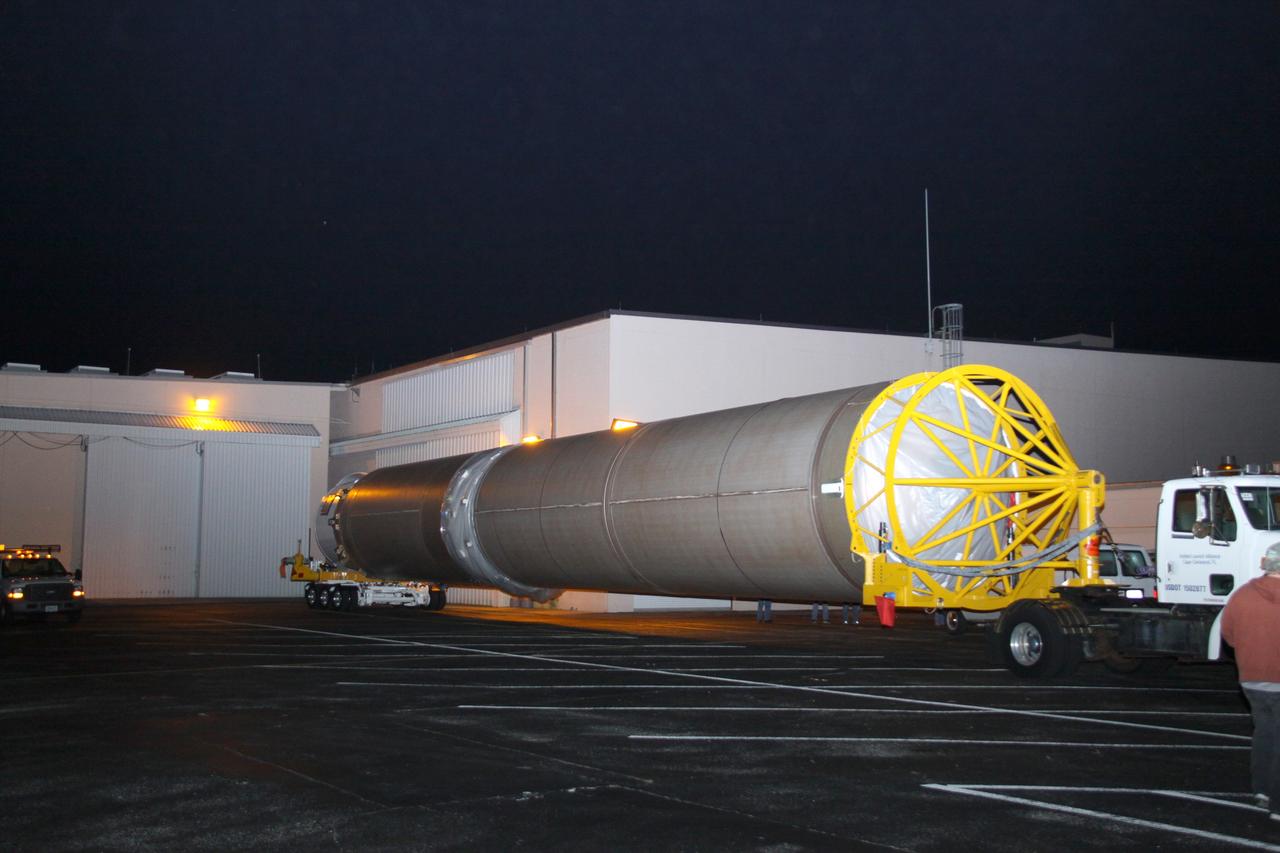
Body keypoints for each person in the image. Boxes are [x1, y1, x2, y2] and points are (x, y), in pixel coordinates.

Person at [1221, 541, 1280, 820]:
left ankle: (1262, 790)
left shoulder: (1242, 595)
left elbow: (1229, 635)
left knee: (1265, 732)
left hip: (1252, 679)